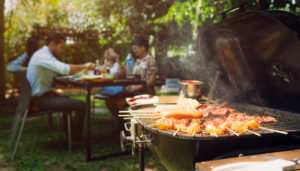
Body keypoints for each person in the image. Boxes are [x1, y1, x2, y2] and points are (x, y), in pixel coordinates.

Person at [26, 32, 95, 143]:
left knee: (66, 99)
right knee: (81, 105)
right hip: (38, 101)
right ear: (52, 44)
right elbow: (64, 69)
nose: (63, 51)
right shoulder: (43, 56)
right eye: (61, 47)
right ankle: (75, 140)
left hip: (41, 96)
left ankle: (71, 138)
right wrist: (85, 66)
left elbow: (58, 73)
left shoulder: (43, 54)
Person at [105, 36, 157, 131]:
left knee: (119, 103)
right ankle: (122, 123)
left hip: (143, 92)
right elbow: (130, 74)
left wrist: (135, 88)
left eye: (136, 48)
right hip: (131, 91)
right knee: (110, 101)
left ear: (143, 48)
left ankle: (126, 128)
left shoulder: (150, 61)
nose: (134, 50)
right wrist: (123, 68)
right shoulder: (137, 61)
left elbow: (151, 80)